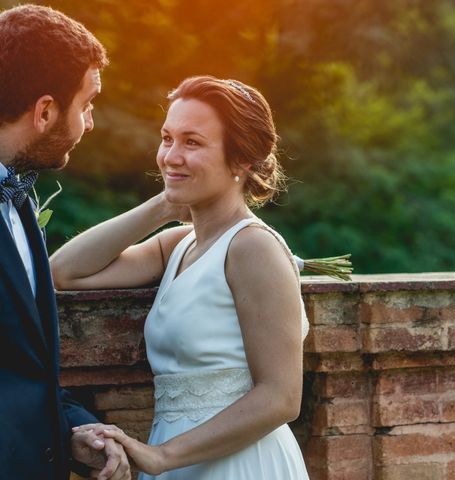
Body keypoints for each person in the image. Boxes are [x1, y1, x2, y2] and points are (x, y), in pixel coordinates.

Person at [51, 76, 310, 479]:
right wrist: (165, 204)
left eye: (192, 143)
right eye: (167, 138)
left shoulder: (253, 248)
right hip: (178, 462)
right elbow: (65, 272)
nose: (171, 155)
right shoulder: (178, 245)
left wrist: (165, 456)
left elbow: (281, 397)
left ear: (241, 159)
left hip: (238, 463)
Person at [0, 4, 131, 480]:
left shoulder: (17, 201)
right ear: (46, 111)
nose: (89, 123)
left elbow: (21, 370)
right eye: (87, 103)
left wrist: (71, 431)